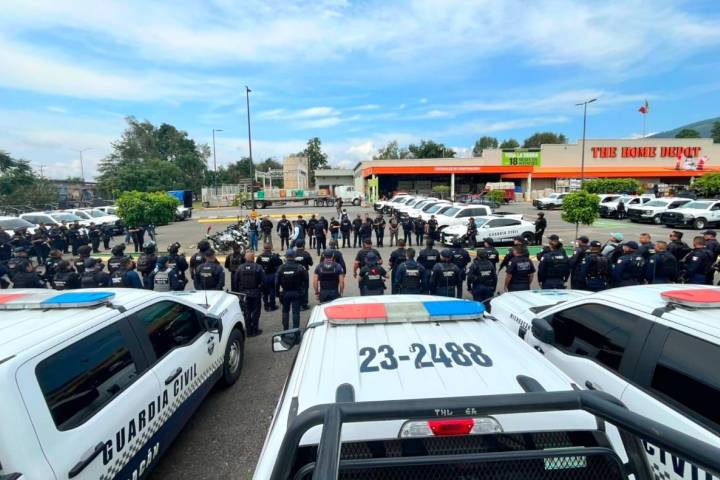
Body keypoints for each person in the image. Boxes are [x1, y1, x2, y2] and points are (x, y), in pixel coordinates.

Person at [276, 249, 308, 330]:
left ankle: (285, 330)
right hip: (296, 292)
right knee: (296, 312)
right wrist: (303, 291)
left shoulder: (281, 268)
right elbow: (305, 280)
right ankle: (295, 330)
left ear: (286, 257)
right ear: (294, 257)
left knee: (285, 311)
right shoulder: (299, 267)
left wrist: (277, 293)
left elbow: (276, 282)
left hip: (285, 292)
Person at [236, 251, 266, 337]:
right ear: (253, 258)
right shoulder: (258, 267)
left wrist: (239, 292)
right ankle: (255, 330)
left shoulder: (240, 268)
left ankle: (248, 331)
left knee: (246, 312)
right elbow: (264, 281)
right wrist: (263, 291)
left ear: (245, 258)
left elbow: (235, 281)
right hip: (255, 292)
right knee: (256, 312)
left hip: (244, 294)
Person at [257, 243, 282, 311]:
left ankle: (266, 305)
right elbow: (280, 265)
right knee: (272, 290)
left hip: (263, 276)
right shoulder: (274, 256)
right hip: (271, 275)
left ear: (264, 248)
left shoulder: (260, 257)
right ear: (271, 248)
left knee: (265, 291)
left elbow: (257, 267)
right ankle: (272, 305)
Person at [293, 240, 314, 309]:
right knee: (305, 287)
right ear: (303, 245)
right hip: (304, 273)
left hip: (295, 273)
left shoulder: (293, 254)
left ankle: (297, 302)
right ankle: (304, 304)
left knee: (296, 287)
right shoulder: (306, 254)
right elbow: (311, 263)